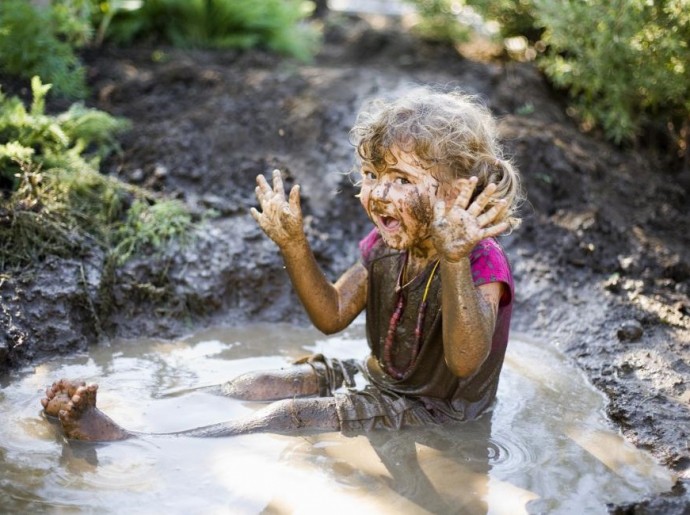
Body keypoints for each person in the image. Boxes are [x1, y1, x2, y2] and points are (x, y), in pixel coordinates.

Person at [40, 87, 522, 441]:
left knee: (287, 415)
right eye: (372, 174)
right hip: (379, 379)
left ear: (458, 192)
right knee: (261, 383)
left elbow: (463, 362)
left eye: (399, 178)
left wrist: (455, 258)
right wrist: (295, 246)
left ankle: (129, 440)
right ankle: (136, 408)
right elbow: (331, 316)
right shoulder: (386, 245)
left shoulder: (482, 263)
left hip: (437, 413)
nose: (377, 192)